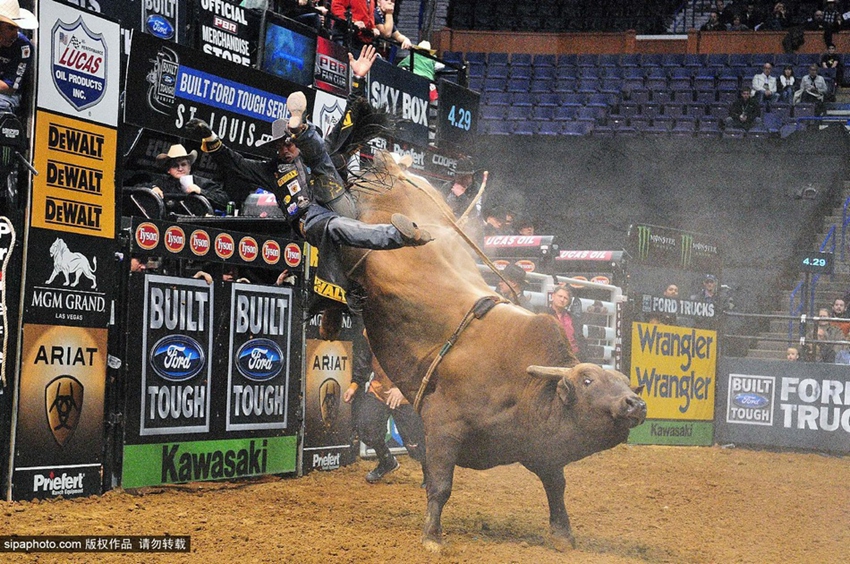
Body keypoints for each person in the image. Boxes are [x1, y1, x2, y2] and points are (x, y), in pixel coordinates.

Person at [184, 46, 432, 318]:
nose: (283, 150)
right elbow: (235, 162)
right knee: (337, 219)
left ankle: (300, 127)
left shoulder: (314, 154)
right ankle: (403, 236)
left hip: (336, 200)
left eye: (287, 143)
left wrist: (358, 80)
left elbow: (345, 123)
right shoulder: (272, 171)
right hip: (312, 218)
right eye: (280, 146)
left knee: (323, 157)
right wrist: (209, 136)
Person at [343, 329, 426, 485]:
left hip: (406, 394)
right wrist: (353, 386)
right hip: (379, 389)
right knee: (367, 429)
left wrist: (403, 389)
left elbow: (420, 365)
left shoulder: (408, 330)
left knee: (415, 444)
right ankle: (387, 461)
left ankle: (429, 474)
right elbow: (363, 361)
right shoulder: (370, 332)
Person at [149, 144, 230, 213]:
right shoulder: (162, 183)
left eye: (183, 164)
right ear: (168, 170)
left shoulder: (202, 183)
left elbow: (224, 200)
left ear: (189, 167)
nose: (180, 168)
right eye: (175, 165)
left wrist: (201, 191)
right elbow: (139, 186)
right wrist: (152, 188)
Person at [0, 0, 37, 114]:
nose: (15, 35)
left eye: (17, 29)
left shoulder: (23, 46)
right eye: (11, 28)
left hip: (6, 96)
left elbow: (9, 88)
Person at [548, 285, 585, 361]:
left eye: (565, 298)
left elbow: (580, 340)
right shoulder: (544, 314)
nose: (562, 300)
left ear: (568, 302)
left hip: (573, 357)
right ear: (553, 296)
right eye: (560, 296)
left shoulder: (573, 319)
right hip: (551, 356)